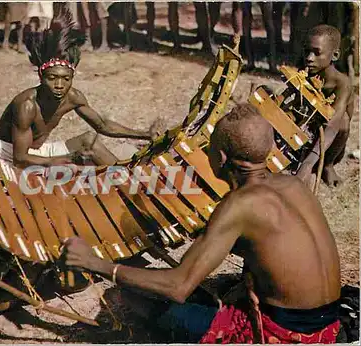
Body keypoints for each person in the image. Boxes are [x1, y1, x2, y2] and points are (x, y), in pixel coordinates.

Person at [64, 103, 341, 343]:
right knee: (211, 291)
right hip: (329, 324)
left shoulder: (239, 205)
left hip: (286, 335)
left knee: (134, 298)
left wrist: (97, 264)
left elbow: (178, 287)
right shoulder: (293, 184)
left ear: (220, 157)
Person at [0, 7, 161, 168]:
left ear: (72, 78)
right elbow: (20, 158)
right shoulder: (27, 105)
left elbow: (103, 126)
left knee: (89, 139)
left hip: (37, 152)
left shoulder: (73, 97)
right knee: (72, 168)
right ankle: (124, 181)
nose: (59, 85)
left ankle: (128, 179)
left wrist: (145, 134)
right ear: (41, 77)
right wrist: (67, 159)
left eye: (66, 79)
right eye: (52, 78)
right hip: (9, 155)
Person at [296, 25, 354, 187]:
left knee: (343, 121)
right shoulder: (306, 71)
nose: (309, 58)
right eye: (306, 51)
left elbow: (333, 123)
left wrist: (308, 165)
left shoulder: (342, 83)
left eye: (316, 52)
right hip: (309, 131)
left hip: (332, 140)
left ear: (335, 55)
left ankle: (327, 165)